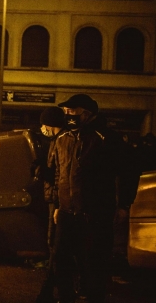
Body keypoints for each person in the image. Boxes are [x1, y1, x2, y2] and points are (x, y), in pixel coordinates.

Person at [49, 94, 135, 303]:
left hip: (95, 213)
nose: (68, 115)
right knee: (60, 260)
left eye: (72, 112)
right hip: (68, 211)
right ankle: (67, 297)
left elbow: (128, 172)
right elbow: (59, 172)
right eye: (66, 112)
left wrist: (123, 205)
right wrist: (59, 205)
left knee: (94, 264)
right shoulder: (63, 138)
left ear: (86, 114)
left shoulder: (107, 138)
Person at [34, 106, 65, 303]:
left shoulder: (61, 141)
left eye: (44, 124)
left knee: (56, 244)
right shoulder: (55, 141)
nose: (42, 128)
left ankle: (51, 290)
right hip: (54, 199)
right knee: (55, 245)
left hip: (57, 200)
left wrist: (43, 172)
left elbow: (61, 175)